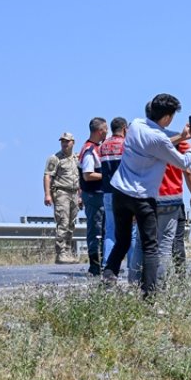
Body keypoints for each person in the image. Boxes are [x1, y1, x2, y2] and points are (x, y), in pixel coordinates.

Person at [103, 93, 191, 298]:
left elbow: (156, 142)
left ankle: (109, 275)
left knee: (122, 241)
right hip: (142, 197)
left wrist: (182, 136)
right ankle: (150, 295)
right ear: (167, 118)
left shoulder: (136, 125)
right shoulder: (160, 140)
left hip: (120, 192)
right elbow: (184, 162)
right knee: (151, 247)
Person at [130, 141, 191, 282]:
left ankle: (135, 282)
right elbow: (189, 168)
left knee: (140, 242)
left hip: (147, 197)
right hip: (171, 199)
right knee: (165, 245)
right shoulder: (178, 142)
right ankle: (160, 285)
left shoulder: (143, 140)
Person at [44, 132, 81, 264]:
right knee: (63, 223)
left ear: (73, 142)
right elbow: (48, 176)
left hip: (74, 193)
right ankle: (61, 253)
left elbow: (79, 177)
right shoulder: (55, 158)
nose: (65, 144)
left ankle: (68, 251)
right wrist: (47, 194)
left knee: (71, 224)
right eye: (63, 141)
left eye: (67, 141)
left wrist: (80, 196)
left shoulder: (76, 158)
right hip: (61, 193)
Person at [78, 118, 108, 275]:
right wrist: (106, 176)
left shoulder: (96, 148)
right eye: (105, 129)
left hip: (98, 195)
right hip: (93, 195)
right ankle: (95, 266)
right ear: (99, 131)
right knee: (96, 231)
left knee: (102, 230)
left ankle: (101, 264)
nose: (107, 132)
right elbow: (88, 175)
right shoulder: (90, 150)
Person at [98, 117, 127, 264]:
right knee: (132, 232)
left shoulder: (103, 146)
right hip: (124, 191)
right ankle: (132, 266)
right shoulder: (126, 144)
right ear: (124, 128)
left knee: (110, 231)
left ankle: (108, 264)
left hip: (108, 191)